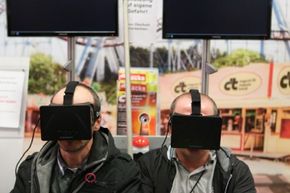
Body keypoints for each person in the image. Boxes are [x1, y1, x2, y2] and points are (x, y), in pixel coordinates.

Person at [11, 82, 140, 193]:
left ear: (97, 122)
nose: (68, 127)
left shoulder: (123, 171)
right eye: (61, 117)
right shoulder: (30, 170)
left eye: (77, 118)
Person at [138, 92, 256, 193]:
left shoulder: (235, 172)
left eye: (202, 124)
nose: (194, 132)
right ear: (171, 126)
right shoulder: (149, 165)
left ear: (215, 128)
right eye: (186, 123)